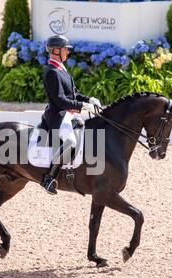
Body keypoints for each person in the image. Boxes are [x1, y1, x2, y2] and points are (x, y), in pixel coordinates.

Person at [39, 35, 101, 195]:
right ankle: (50, 178)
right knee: (71, 141)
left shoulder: (61, 70)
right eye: (65, 49)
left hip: (68, 115)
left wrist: (89, 100)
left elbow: (74, 94)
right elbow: (60, 100)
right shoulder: (51, 72)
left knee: (83, 127)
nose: (67, 52)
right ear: (56, 50)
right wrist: (82, 106)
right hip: (57, 116)